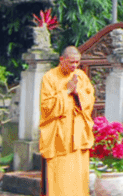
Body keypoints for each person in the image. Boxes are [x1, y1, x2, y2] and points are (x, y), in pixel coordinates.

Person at [39, 46, 95, 196]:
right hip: (59, 138)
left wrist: (77, 93)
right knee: (60, 180)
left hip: (77, 136)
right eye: (71, 62)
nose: (74, 66)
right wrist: (67, 91)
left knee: (78, 179)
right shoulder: (50, 77)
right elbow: (46, 108)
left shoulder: (81, 76)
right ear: (61, 60)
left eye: (77, 62)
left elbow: (89, 101)